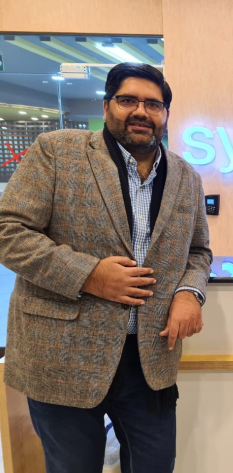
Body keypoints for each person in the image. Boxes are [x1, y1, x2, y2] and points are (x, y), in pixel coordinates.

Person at [0, 62, 212, 473]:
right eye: (128, 100)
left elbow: (198, 251)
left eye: (153, 104)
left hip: (149, 359)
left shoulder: (186, 177)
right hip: (64, 355)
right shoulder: (57, 151)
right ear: (106, 106)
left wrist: (190, 292)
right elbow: (8, 230)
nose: (141, 111)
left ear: (166, 114)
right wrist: (89, 275)